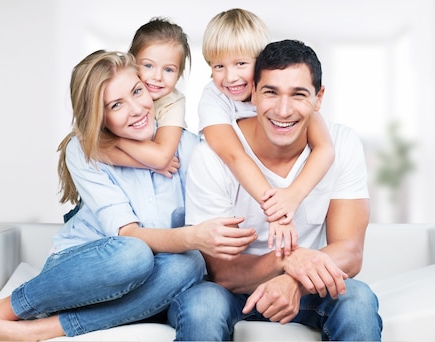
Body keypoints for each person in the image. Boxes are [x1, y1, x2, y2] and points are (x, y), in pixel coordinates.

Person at [0, 50, 256, 341]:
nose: (137, 109)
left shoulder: (189, 147)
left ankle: (41, 330)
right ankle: (3, 309)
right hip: (91, 269)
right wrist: (193, 236)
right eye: (116, 105)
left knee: (190, 267)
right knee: (133, 253)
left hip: (161, 281)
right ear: (98, 116)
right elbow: (130, 236)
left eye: (137, 91)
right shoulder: (85, 151)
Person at [168, 39, 382, 341]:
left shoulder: (342, 143)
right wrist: (283, 261)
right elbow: (221, 274)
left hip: (305, 287)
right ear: (253, 92)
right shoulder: (211, 155)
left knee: (356, 299)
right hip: (232, 291)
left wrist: (294, 281)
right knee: (202, 305)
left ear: (318, 98)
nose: (283, 110)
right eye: (271, 92)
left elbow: (350, 252)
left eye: (299, 94)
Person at [198, 9, 336, 257]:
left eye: (241, 63)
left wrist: (292, 197)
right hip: (227, 190)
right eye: (218, 65)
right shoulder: (214, 98)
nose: (230, 77)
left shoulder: (284, 94)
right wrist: (276, 212)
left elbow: (325, 149)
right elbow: (233, 155)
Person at [93, 17, 191, 177]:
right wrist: (148, 166)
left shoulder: (173, 102)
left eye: (169, 70)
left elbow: (161, 159)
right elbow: (94, 150)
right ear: (131, 62)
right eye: (148, 65)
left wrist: (113, 138)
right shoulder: (112, 90)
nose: (157, 76)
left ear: (179, 74)